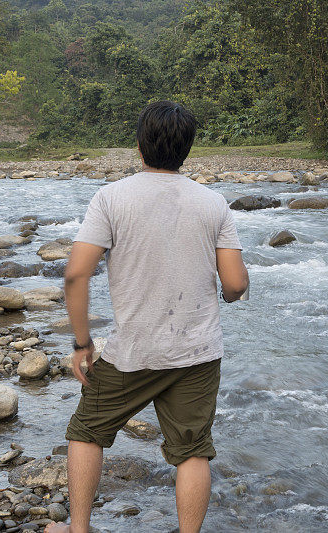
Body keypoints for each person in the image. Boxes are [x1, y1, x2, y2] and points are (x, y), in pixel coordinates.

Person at [46, 101, 249, 533]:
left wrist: (82, 344)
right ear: (187, 151)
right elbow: (234, 284)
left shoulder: (111, 198)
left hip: (133, 352)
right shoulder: (213, 203)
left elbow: (76, 274)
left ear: (139, 145)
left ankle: (78, 529)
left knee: (86, 430)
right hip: (197, 350)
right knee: (193, 450)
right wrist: (227, 298)